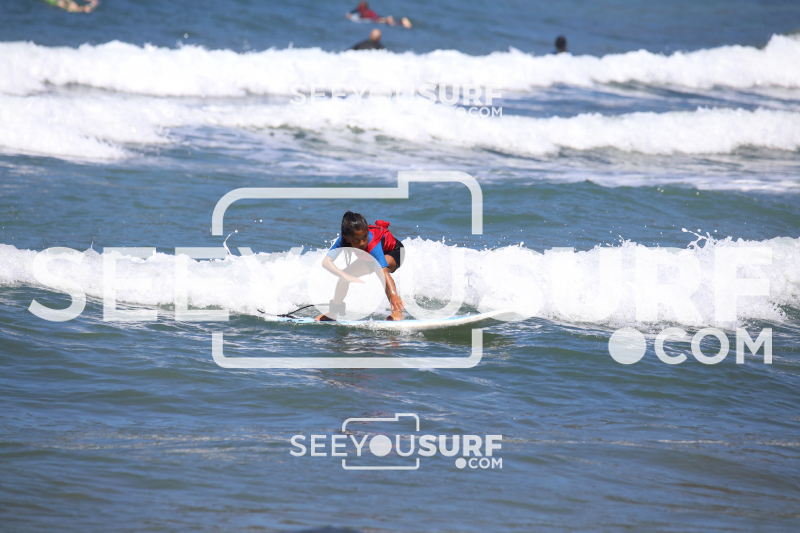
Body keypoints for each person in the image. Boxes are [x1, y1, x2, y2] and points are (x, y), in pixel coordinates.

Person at [315, 212, 405, 322]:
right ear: (347, 238)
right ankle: (333, 312)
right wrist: (345, 276)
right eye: (356, 239)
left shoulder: (373, 244)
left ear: (367, 232)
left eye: (364, 237)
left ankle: (397, 312)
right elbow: (326, 262)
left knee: (378, 269)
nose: (362, 243)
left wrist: (394, 295)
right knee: (345, 276)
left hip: (395, 252)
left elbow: (384, 272)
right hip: (371, 258)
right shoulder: (343, 240)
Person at [346, 1, 412, 28]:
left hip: (373, 19)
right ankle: (401, 21)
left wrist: (349, 15)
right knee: (388, 22)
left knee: (388, 23)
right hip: (376, 16)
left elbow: (351, 12)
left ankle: (401, 21)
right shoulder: (369, 10)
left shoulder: (360, 9)